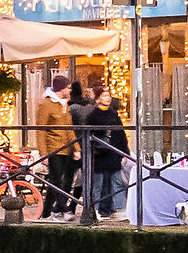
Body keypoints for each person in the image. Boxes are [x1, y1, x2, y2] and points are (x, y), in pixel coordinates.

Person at [34, 72, 78, 218]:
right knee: (56, 179)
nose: (70, 90)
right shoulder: (47, 104)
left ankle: (46, 213)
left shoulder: (64, 105)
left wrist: (76, 148)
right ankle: (63, 209)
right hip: (53, 148)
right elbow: (41, 130)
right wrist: (43, 154)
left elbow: (70, 128)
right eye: (68, 87)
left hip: (66, 148)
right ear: (62, 88)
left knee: (56, 179)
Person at [84, 88, 129, 219]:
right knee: (98, 183)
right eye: (104, 96)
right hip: (100, 154)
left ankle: (118, 208)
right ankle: (95, 209)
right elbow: (89, 135)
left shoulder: (114, 115)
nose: (108, 98)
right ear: (98, 99)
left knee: (117, 181)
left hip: (113, 153)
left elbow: (121, 134)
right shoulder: (93, 116)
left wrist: (124, 152)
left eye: (109, 96)